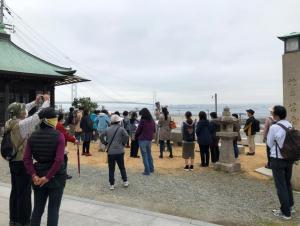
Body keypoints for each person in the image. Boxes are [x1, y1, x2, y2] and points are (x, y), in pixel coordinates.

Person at [5, 94, 49, 226]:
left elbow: (24, 109)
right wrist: (46, 101)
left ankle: (14, 219)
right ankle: (24, 221)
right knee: (24, 193)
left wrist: (35, 103)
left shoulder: (9, 122)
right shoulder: (22, 125)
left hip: (13, 161)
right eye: (23, 110)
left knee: (15, 191)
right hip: (22, 163)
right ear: (21, 113)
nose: (26, 111)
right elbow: (38, 116)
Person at [23, 107, 66, 226]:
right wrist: (48, 177)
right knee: (53, 210)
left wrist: (33, 175)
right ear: (49, 120)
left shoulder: (33, 136)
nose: (57, 119)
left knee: (37, 209)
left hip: (38, 175)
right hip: (56, 177)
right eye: (55, 118)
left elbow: (26, 158)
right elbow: (58, 160)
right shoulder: (59, 136)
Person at [267, 105, 295, 220]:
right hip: (289, 158)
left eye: (273, 113)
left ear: (276, 115)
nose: (272, 115)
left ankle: (285, 212)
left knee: (280, 186)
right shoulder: (289, 125)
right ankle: (291, 206)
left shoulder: (274, 127)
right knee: (287, 183)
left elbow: (269, 143)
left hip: (277, 159)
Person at [100, 114, 129, 190]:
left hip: (111, 152)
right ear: (118, 121)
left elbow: (101, 136)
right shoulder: (121, 129)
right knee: (122, 167)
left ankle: (111, 184)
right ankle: (125, 181)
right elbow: (126, 136)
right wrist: (123, 143)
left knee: (111, 168)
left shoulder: (108, 129)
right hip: (120, 151)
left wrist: (105, 142)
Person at [56, 113, 79, 180]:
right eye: (63, 118)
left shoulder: (55, 125)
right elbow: (65, 136)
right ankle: (63, 174)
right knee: (64, 160)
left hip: (55, 145)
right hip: (61, 146)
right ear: (61, 118)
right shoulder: (59, 126)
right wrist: (74, 140)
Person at [135, 108, 156, 175]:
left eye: (141, 115)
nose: (141, 116)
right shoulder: (152, 120)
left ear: (143, 114)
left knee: (144, 155)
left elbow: (138, 130)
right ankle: (151, 169)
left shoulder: (142, 120)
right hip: (149, 139)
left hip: (142, 139)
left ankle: (147, 171)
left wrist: (136, 135)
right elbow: (154, 130)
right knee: (149, 154)